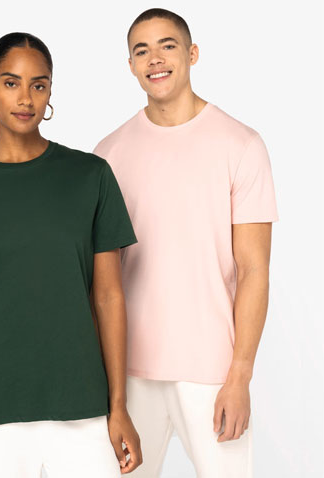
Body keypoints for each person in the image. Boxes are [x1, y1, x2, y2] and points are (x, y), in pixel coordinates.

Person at [0, 31, 143, 478]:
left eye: (38, 84)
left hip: (81, 402)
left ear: (50, 92)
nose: (25, 98)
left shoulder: (90, 176)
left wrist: (119, 406)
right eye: (11, 83)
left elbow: (108, 296)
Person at [93, 8, 279, 478]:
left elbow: (254, 270)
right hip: (129, 373)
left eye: (167, 46)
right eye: (142, 51)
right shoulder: (108, 155)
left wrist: (240, 374)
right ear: (130, 65)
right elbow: (100, 276)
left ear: (192, 53)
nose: (155, 59)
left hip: (213, 371)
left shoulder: (241, 144)